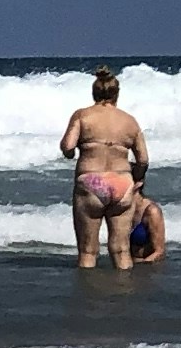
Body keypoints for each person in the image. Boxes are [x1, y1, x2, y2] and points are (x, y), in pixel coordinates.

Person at [60, 67, 148, 270]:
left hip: (92, 182)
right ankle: (125, 295)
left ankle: (88, 298)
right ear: (117, 94)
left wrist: (71, 154)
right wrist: (138, 179)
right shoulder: (130, 121)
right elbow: (143, 159)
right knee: (122, 250)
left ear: (94, 93)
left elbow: (68, 146)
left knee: (88, 251)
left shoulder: (83, 116)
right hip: (122, 183)